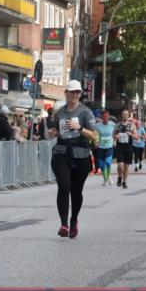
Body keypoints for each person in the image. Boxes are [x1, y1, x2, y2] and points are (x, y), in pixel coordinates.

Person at [47, 80, 98, 237]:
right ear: (66, 93)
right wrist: (54, 133)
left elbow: (94, 136)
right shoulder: (59, 112)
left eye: (77, 92)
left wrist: (80, 128)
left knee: (76, 192)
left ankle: (73, 219)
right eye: (71, 92)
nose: (74, 95)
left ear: (80, 94)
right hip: (61, 152)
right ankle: (63, 225)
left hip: (80, 154)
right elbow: (55, 130)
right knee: (64, 186)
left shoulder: (86, 113)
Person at [114, 109, 136, 188]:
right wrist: (116, 136)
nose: (125, 116)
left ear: (128, 115)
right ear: (121, 115)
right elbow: (113, 135)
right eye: (123, 114)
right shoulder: (117, 125)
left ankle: (124, 182)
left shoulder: (132, 125)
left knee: (126, 166)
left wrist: (131, 134)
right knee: (120, 165)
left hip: (128, 147)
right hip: (119, 146)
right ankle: (120, 176)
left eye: (126, 114)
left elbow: (136, 137)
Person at [93, 110, 116, 186]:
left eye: (106, 116)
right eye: (104, 116)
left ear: (109, 117)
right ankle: (105, 179)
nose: (105, 118)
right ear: (101, 117)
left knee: (108, 162)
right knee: (102, 165)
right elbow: (95, 135)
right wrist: (96, 142)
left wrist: (115, 139)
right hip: (100, 147)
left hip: (109, 146)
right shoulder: (97, 126)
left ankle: (108, 177)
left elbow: (116, 133)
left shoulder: (113, 125)